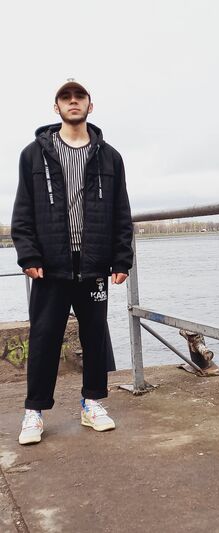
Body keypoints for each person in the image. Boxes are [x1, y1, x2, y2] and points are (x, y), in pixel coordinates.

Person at [11, 79, 133, 444]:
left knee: (95, 335)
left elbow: (121, 212)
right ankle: (34, 412)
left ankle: (92, 403)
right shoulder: (33, 155)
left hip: (94, 263)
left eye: (79, 97)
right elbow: (23, 211)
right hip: (50, 265)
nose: (73, 101)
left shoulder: (110, 157)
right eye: (66, 97)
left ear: (90, 106)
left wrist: (121, 259)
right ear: (57, 107)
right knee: (44, 337)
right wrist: (28, 254)